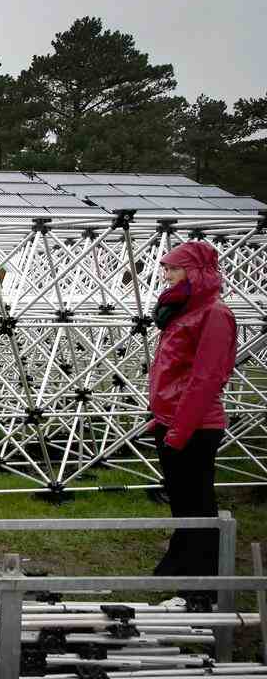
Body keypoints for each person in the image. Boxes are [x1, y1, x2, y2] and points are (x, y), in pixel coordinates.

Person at [148, 241, 237, 598]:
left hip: (195, 427)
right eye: (166, 269)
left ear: (195, 272)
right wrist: (161, 421)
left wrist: (178, 431)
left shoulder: (214, 313)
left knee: (197, 504)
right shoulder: (183, 310)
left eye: (174, 269)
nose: (166, 275)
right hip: (172, 422)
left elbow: (206, 378)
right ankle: (181, 568)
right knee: (183, 502)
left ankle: (202, 583)